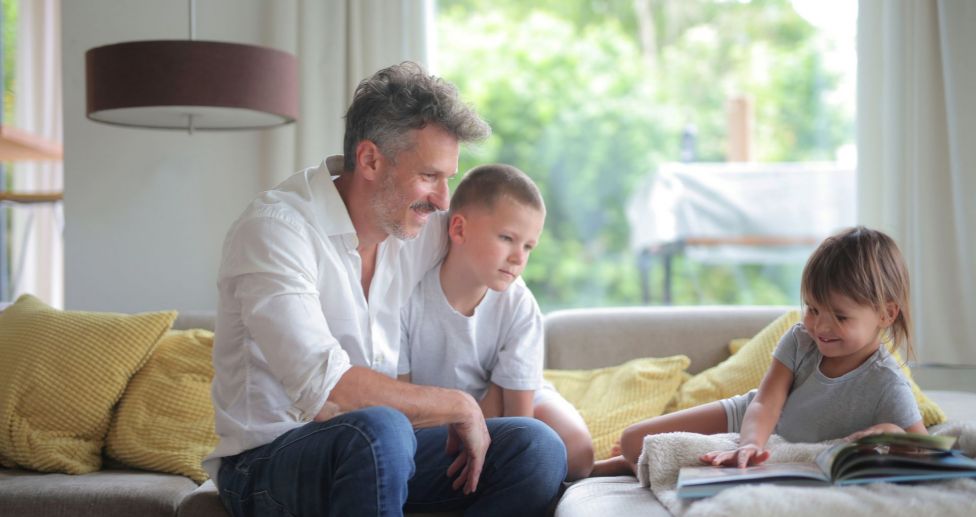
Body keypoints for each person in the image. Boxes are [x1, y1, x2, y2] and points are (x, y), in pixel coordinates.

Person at [205, 62, 568, 517]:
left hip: (383, 451)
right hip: (268, 461)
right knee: (381, 430)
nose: (442, 199)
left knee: (534, 447)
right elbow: (325, 387)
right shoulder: (277, 231)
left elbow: (497, 257)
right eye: (430, 176)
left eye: (449, 178)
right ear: (371, 160)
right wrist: (457, 405)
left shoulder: (413, 226)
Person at [591, 226, 925, 476]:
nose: (820, 327)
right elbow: (766, 402)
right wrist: (749, 443)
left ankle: (627, 466)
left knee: (648, 452)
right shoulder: (800, 340)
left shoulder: (888, 385)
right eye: (812, 309)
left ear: (886, 314)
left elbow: (926, 453)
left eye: (839, 316)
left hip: (789, 453)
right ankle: (623, 464)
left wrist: (892, 434)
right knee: (634, 439)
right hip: (747, 420)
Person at [398, 164, 595, 480]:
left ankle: (596, 471)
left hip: (504, 401)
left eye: (528, 246)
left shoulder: (519, 304)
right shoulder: (410, 297)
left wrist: (505, 453)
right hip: (433, 414)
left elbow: (519, 419)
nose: (519, 257)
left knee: (578, 451)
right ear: (459, 229)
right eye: (507, 238)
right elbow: (402, 399)